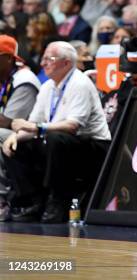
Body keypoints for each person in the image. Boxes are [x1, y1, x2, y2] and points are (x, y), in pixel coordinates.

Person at [2, 42, 111, 223]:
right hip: (61, 142)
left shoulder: (80, 83)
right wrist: (15, 137)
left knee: (55, 139)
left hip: (94, 146)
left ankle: (58, 200)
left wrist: (38, 128)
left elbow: (73, 126)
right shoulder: (47, 87)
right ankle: (32, 200)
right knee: (15, 143)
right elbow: (32, 123)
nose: (43, 63)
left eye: (49, 59)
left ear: (66, 63)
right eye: (43, 59)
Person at [0, 35, 40, 221]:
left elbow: (12, 122)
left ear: (8, 58)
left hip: (29, 137)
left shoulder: (24, 81)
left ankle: (3, 200)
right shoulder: (3, 77)